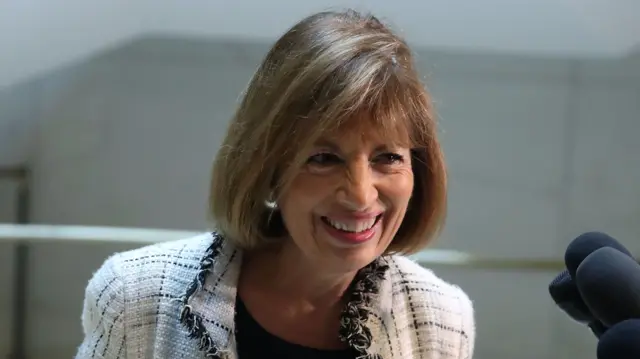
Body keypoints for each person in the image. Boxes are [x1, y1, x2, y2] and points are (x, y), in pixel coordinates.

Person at [76, 9, 475, 359]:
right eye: (323, 158)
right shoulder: (136, 296)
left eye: (387, 158)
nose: (360, 194)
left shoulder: (441, 317)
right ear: (267, 168)